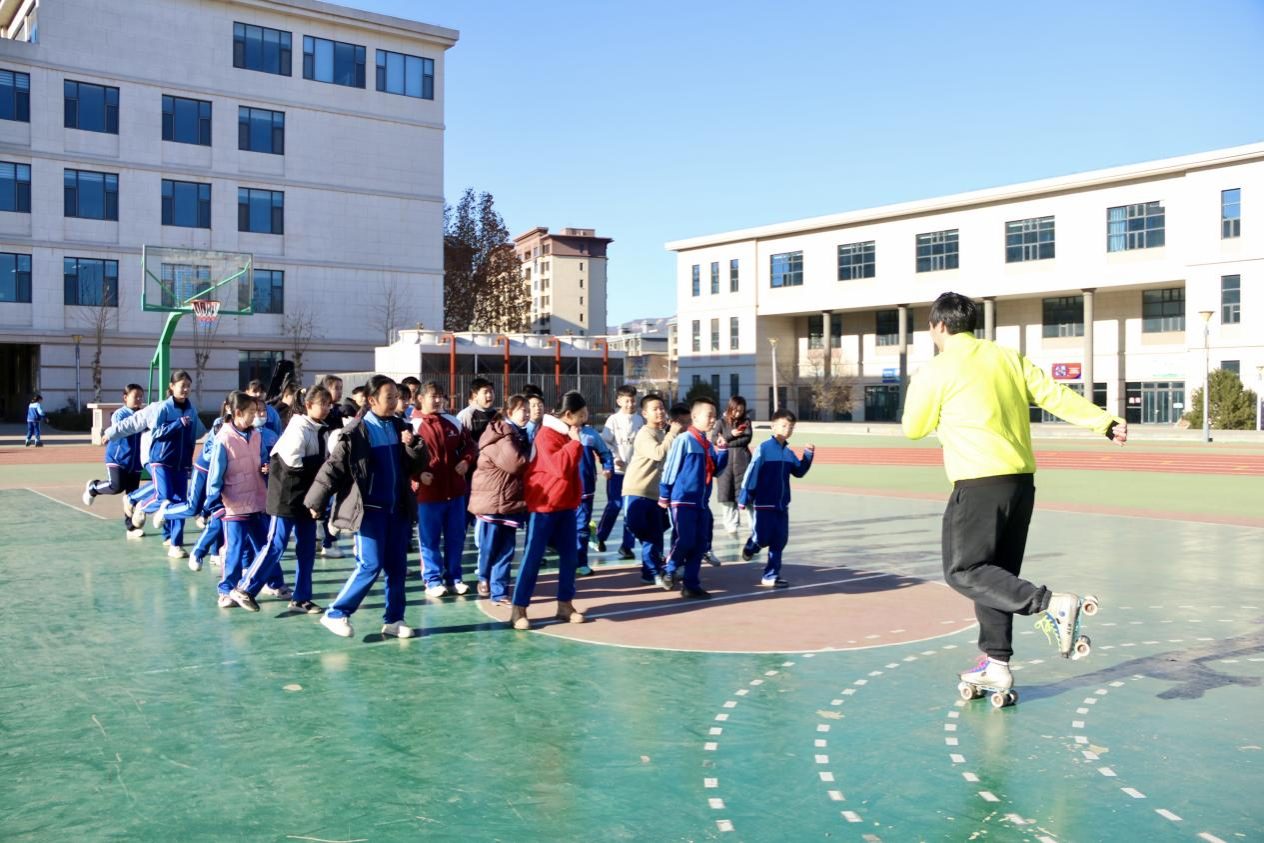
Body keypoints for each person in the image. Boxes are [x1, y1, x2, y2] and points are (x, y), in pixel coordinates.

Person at [902, 291, 1128, 694]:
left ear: (939, 325)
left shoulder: (936, 370)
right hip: (1020, 484)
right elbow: (1053, 395)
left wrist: (939, 412)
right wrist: (1104, 422)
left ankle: (1051, 604)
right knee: (996, 577)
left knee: (964, 571)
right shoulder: (1006, 357)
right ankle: (997, 664)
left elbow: (913, 428)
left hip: (978, 483)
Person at [306, 375, 427, 639]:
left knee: (397, 568)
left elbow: (416, 465)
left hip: (397, 509)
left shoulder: (401, 427)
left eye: (397, 397)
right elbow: (333, 468)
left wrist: (414, 445)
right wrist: (316, 500)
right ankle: (336, 612)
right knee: (370, 565)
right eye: (389, 397)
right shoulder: (356, 432)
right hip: (369, 511)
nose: (395, 402)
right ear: (372, 400)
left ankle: (394, 619)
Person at [233, 386, 333, 615]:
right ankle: (245, 588)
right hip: (286, 497)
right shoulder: (298, 428)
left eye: (329, 404)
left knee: (307, 548)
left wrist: (317, 497)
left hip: (306, 499)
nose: (327, 408)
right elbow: (293, 463)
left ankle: (301, 598)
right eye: (323, 403)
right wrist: (321, 468)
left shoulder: (322, 430)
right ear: (309, 405)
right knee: (276, 544)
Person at [509, 390, 589, 630]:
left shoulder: (567, 434)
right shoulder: (547, 435)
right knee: (533, 556)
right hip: (544, 505)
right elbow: (560, 467)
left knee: (570, 556)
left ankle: (565, 604)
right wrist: (575, 443)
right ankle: (519, 608)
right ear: (568, 414)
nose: (584, 418)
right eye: (581, 414)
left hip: (565, 504)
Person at [202, 391, 278, 609]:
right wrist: (214, 502)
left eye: (256, 412)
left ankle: (264, 584)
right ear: (237, 413)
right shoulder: (223, 439)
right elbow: (215, 474)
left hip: (256, 500)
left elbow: (262, 459)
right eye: (251, 412)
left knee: (267, 547)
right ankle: (226, 591)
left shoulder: (256, 435)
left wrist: (266, 468)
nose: (256, 416)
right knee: (234, 550)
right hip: (234, 505)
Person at [410, 381, 476, 597]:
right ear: (420, 398)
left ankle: (454, 578)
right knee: (429, 540)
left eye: (441, 396)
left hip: (455, 493)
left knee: (455, 537)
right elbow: (403, 458)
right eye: (433, 396)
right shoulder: (411, 425)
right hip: (428, 495)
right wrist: (418, 475)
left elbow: (469, 445)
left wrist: (466, 461)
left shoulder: (453, 422)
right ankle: (432, 581)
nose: (438, 400)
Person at [659, 397, 728, 599]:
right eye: (709, 415)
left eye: (715, 416)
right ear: (695, 416)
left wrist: (723, 451)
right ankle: (669, 567)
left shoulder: (707, 444)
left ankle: (690, 585)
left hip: (701, 502)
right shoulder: (684, 440)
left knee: (700, 543)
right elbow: (670, 468)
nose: (713, 419)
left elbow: (716, 471)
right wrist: (664, 493)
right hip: (683, 500)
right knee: (686, 539)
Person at [738, 409, 814, 588]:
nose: (788, 429)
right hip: (764, 503)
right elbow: (752, 471)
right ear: (773, 427)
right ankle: (751, 546)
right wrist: (744, 495)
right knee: (762, 538)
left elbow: (799, 472)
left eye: (791, 427)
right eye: (784, 425)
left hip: (781, 505)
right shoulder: (764, 448)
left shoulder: (788, 453)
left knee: (779, 540)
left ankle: (770, 575)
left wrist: (808, 455)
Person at [134, 370, 205, 559]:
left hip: (181, 464)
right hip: (161, 460)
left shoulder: (191, 410)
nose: (186, 389)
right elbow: (156, 433)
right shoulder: (164, 408)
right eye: (182, 386)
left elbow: (194, 435)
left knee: (180, 504)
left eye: (188, 386)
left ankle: (176, 545)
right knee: (163, 496)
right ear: (172, 387)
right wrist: (177, 424)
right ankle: (142, 506)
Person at [469, 394, 531, 604]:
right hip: (492, 499)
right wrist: (534, 454)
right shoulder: (503, 433)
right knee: (489, 547)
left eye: (529, 410)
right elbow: (516, 463)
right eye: (523, 410)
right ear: (510, 412)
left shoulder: (520, 433)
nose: (527, 414)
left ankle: (499, 591)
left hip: (510, 500)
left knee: (506, 549)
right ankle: (483, 576)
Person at [621, 393, 683, 587]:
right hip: (636, 490)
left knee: (655, 534)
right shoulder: (645, 433)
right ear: (644, 413)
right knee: (639, 529)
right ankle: (654, 568)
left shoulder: (664, 433)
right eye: (654, 409)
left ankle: (651, 573)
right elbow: (658, 453)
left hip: (656, 494)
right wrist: (673, 433)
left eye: (662, 408)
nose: (660, 412)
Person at [83, 384, 146, 538]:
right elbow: (120, 429)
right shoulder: (119, 414)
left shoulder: (144, 414)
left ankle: (131, 528)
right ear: (125, 398)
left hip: (136, 462)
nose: (139, 399)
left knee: (132, 496)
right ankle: (93, 487)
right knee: (116, 486)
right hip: (117, 459)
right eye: (135, 396)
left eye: (141, 396)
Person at [595, 384, 643, 559]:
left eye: (633, 400)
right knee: (615, 505)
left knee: (631, 509)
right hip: (617, 472)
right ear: (619, 401)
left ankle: (627, 546)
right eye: (627, 401)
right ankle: (600, 537)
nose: (630, 404)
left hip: (634, 473)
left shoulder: (640, 420)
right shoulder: (613, 420)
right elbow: (605, 443)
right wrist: (614, 458)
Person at [575, 420, 614, 576]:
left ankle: (581, 563)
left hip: (586, 488)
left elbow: (605, 453)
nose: (581, 416)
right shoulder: (557, 432)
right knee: (563, 528)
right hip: (562, 489)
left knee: (581, 527)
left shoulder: (590, 434)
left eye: (583, 412)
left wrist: (608, 467)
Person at [715, 396, 754, 538]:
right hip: (725, 464)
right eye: (735, 410)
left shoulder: (746, 422)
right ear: (730, 408)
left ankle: (754, 526)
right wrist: (730, 435)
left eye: (741, 411)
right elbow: (715, 439)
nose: (738, 413)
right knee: (727, 496)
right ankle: (731, 527)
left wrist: (726, 440)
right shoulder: (720, 422)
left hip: (743, 462)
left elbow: (747, 439)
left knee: (748, 495)